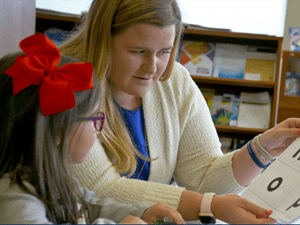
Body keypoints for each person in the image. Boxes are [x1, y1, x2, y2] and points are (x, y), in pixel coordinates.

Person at [59, 0, 300, 223]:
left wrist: (263, 149)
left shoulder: (173, 80)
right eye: (138, 52)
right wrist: (208, 205)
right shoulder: (61, 82)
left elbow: (203, 179)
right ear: (103, 40)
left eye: (164, 52)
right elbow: (100, 192)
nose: (153, 68)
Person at [0, 33, 186, 224]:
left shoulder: (56, 178)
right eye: (94, 117)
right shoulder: (13, 197)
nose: (99, 128)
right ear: (58, 130)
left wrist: (142, 212)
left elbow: (92, 207)